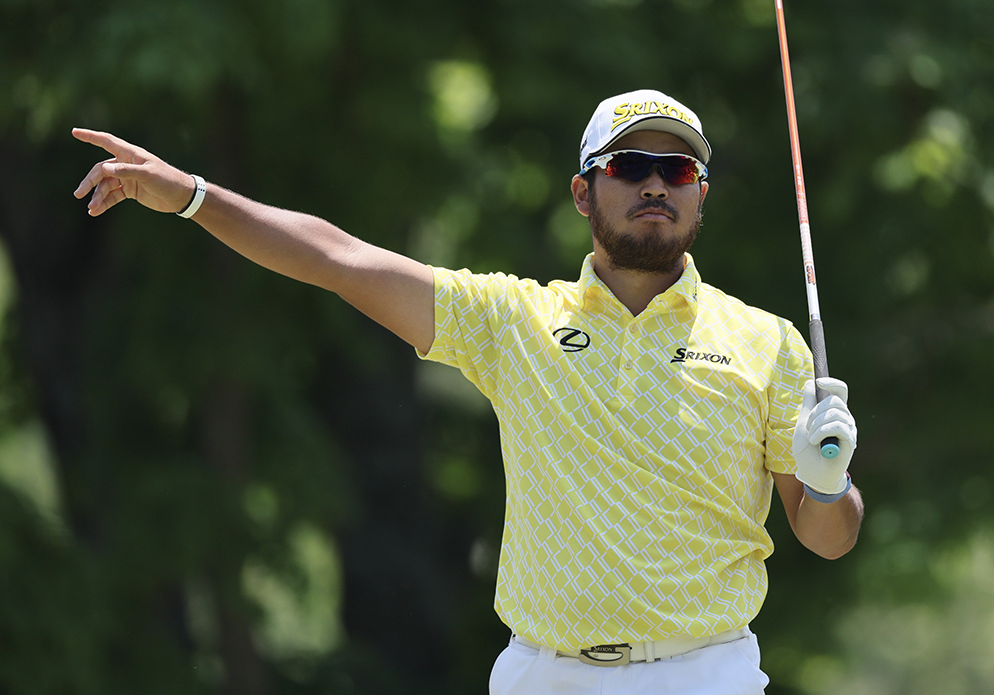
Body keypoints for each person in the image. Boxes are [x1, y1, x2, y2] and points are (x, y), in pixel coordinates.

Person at [73, 88, 863, 694]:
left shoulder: (768, 343)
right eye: (629, 167)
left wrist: (827, 485)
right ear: (585, 192)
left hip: (705, 677)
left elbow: (828, 536)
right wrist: (193, 195)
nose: (655, 185)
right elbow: (336, 259)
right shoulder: (516, 321)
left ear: (700, 194)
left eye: (677, 170)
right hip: (545, 677)